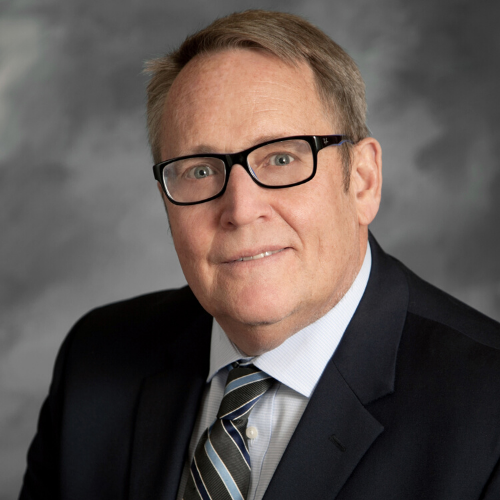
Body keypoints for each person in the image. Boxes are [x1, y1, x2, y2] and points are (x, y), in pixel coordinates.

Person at [19, 10, 500, 500]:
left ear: (362, 181)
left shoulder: (488, 411)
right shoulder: (94, 360)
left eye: (282, 158)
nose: (241, 210)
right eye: (200, 170)